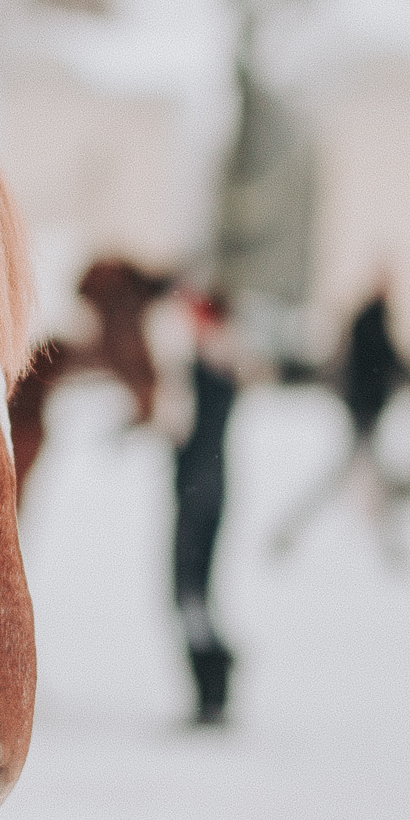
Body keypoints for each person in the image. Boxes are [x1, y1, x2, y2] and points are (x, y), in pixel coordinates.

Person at [269, 290, 407, 562]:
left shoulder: (369, 321)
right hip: (363, 416)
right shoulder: (372, 322)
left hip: (364, 414)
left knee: (360, 480)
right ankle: (392, 548)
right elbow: (376, 366)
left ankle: (391, 546)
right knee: (357, 480)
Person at [172, 290, 246, 726]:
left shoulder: (210, 366)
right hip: (204, 487)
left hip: (199, 492)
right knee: (191, 592)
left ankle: (214, 687)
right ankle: (213, 681)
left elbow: (185, 426)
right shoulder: (216, 363)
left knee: (189, 592)